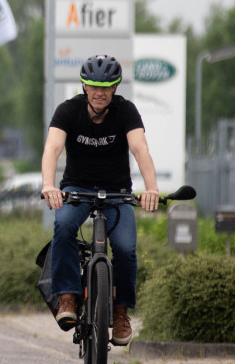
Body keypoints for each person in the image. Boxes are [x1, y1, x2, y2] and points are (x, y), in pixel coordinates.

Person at [39, 54, 161, 347]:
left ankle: (120, 313)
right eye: (93, 85)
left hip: (117, 192)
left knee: (125, 248)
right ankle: (67, 297)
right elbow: (52, 148)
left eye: (106, 86)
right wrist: (48, 185)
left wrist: (151, 188)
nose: (99, 92)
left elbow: (139, 147)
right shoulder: (68, 111)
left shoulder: (126, 111)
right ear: (84, 85)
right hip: (77, 190)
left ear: (116, 86)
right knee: (64, 225)